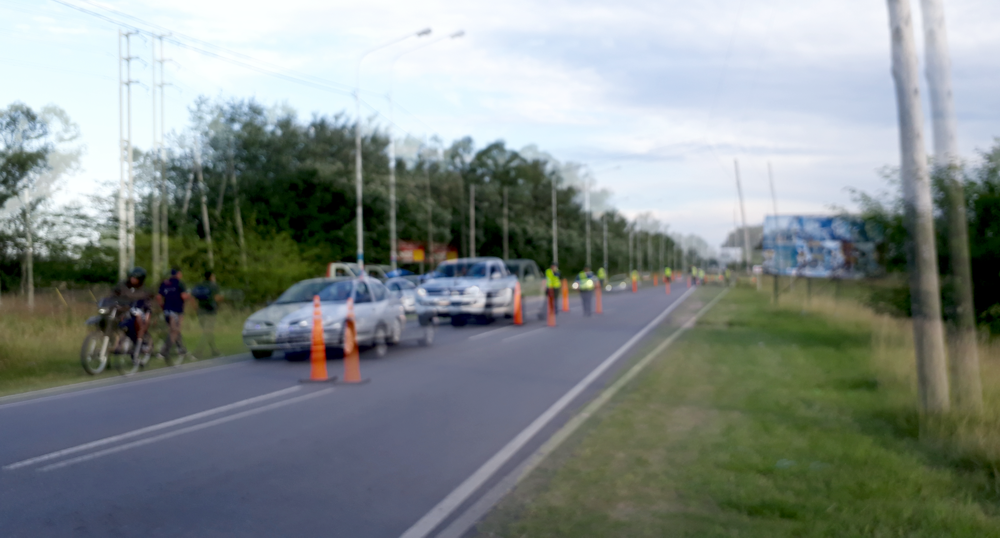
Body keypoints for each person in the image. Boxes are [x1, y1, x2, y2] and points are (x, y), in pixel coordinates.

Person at [112, 267, 153, 352]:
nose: (133, 279)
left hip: (139, 309)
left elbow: (146, 304)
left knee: (139, 318)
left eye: (135, 278)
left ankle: (140, 342)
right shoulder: (123, 285)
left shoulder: (143, 290)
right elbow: (114, 294)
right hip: (124, 309)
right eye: (132, 277)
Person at [157, 268, 190, 357]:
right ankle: (164, 351)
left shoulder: (164, 283)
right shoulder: (180, 283)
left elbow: (159, 297)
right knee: (175, 331)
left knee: (174, 330)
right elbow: (183, 296)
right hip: (177, 311)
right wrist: (190, 296)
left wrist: (162, 306)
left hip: (167, 310)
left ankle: (181, 349)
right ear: (178, 274)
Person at [191, 271, 223, 358]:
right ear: (211, 277)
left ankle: (214, 351)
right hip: (210, 312)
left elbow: (193, 297)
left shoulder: (199, 285)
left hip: (200, 311)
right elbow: (216, 298)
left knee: (208, 332)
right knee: (207, 332)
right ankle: (197, 353)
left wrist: (195, 308)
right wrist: (222, 299)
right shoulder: (213, 286)